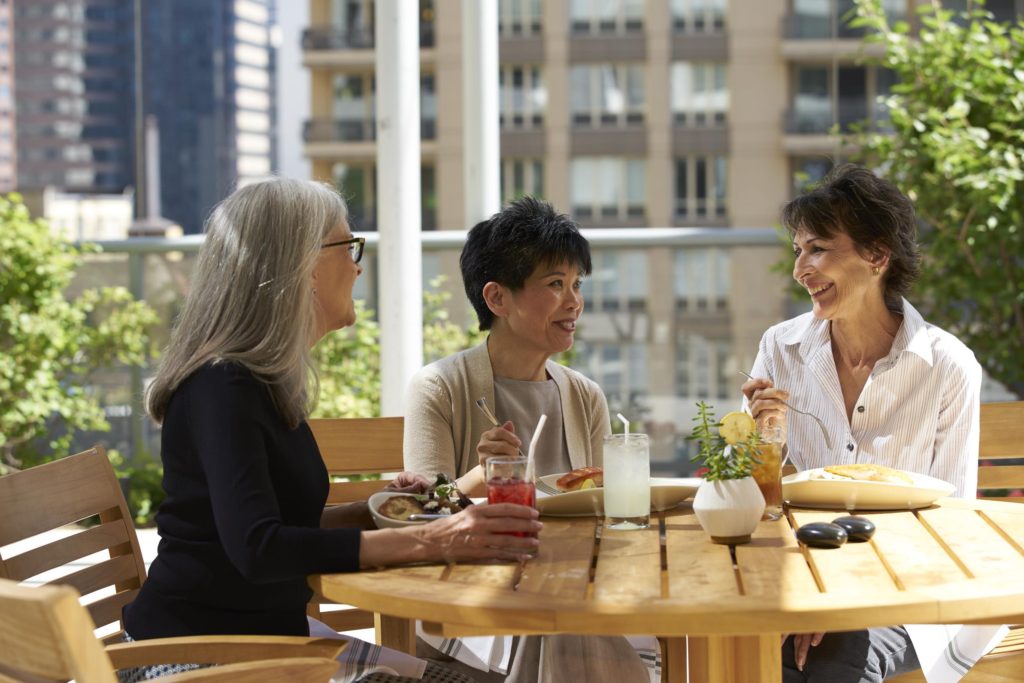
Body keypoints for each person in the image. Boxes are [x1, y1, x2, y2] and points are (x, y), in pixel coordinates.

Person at [121, 178, 541, 683]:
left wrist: (381, 510)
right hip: (201, 661)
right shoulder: (222, 384)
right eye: (349, 246)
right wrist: (434, 540)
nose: (358, 266)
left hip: (263, 643)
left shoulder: (258, 382)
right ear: (303, 265)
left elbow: (277, 525)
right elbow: (259, 548)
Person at [742, 164, 1005, 682]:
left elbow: (947, 522)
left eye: (818, 248)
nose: (801, 268)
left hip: (918, 589)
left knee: (834, 658)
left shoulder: (947, 366)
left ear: (877, 256)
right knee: (749, 650)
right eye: (798, 250)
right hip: (804, 574)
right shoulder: (781, 348)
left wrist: (841, 599)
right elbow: (759, 496)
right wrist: (760, 439)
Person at [404, 197, 654, 682]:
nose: (574, 301)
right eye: (555, 284)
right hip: (474, 603)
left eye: (577, 284)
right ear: (497, 298)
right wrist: (480, 477)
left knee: (570, 617)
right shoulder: (439, 388)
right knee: (564, 624)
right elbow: (418, 519)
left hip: (577, 587)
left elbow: (604, 507)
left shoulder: (584, 395)